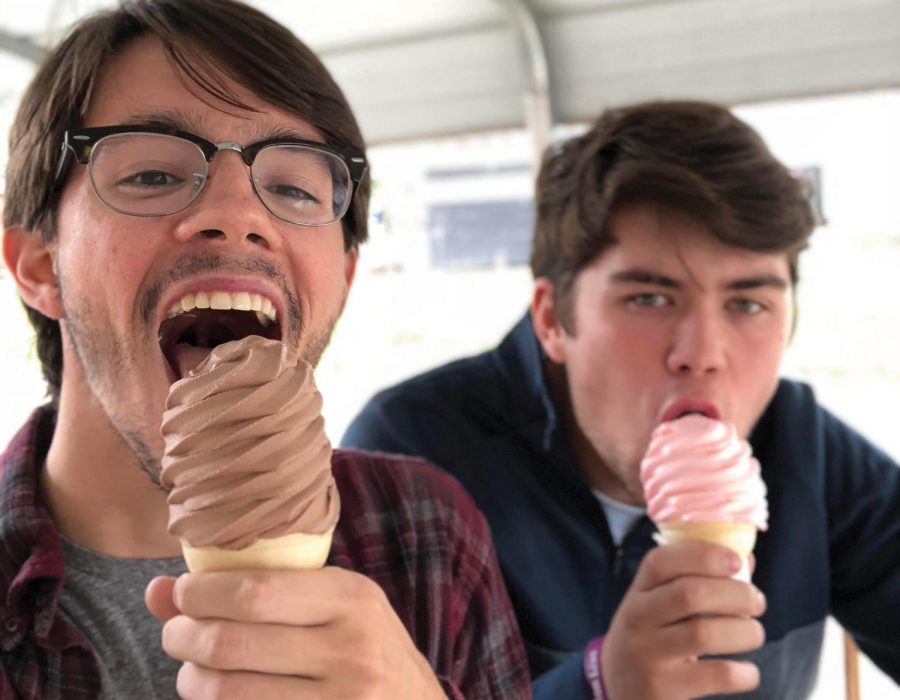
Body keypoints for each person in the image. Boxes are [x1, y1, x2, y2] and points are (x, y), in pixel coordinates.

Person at [0, 1, 531, 698]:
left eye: (291, 186)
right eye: (153, 175)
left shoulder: (425, 533)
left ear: (341, 278)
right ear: (38, 264)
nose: (237, 215)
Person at [342, 100, 900, 699]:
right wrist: (599, 687)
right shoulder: (411, 458)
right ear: (553, 318)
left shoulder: (804, 449)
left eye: (748, 304)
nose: (703, 352)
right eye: (650, 299)